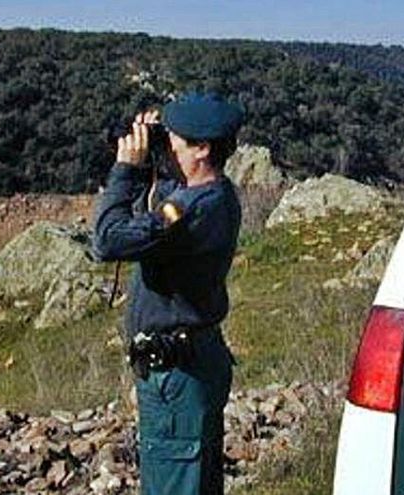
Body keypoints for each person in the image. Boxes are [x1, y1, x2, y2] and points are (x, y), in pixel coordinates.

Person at [90, 92, 243, 495]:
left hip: (177, 374)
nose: (167, 143)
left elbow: (107, 241)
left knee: (174, 484)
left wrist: (125, 171)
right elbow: (169, 198)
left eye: (173, 137)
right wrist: (155, 156)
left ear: (203, 148)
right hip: (195, 363)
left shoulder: (191, 211)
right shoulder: (216, 194)